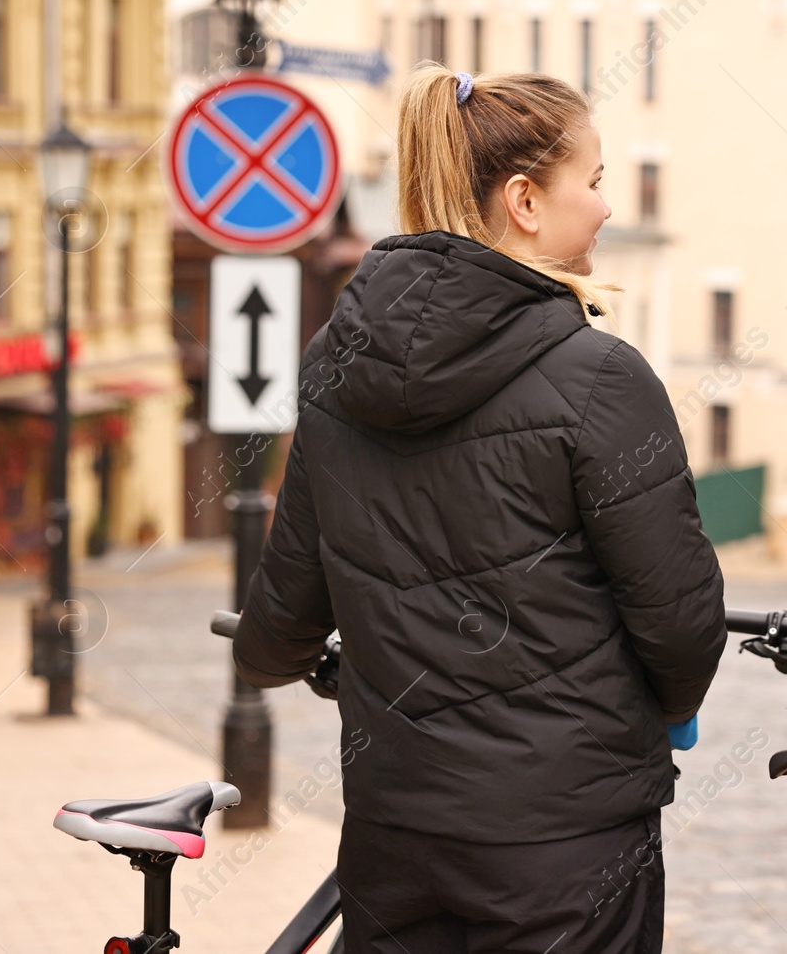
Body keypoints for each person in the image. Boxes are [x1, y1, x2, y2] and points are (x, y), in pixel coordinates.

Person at [233, 66, 728, 954]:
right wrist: (662, 710)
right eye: (596, 181)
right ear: (526, 200)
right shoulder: (603, 378)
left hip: (394, 833)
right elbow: (681, 621)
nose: (608, 207)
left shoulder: (334, 363)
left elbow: (282, 621)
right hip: (564, 843)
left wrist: (287, 652)